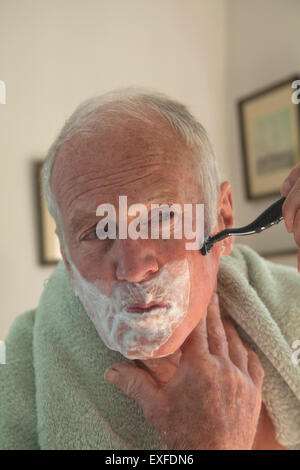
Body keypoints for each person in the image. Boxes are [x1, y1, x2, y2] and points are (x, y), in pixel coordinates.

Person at [1, 87, 300, 450]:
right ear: (66, 256)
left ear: (222, 217)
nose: (132, 268)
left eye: (162, 217)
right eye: (97, 231)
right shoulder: (18, 367)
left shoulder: (292, 308)